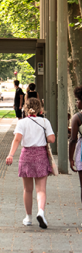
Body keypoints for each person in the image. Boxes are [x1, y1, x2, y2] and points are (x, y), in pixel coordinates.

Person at [5, 98, 55, 229]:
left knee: (27, 190)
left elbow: (17, 139)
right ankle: (41, 212)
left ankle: (28, 218)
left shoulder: (22, 123)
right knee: (41, 189)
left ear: (25, 109)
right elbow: (51, 139)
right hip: (40, 156)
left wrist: (10, 155)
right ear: (40, 109)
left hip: (26, 156)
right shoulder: (45, 122)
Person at [68, 86, 82, 217]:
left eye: (78, 100)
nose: (77, 102)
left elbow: (73, 140)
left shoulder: (77, 117)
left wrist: (70, 158)